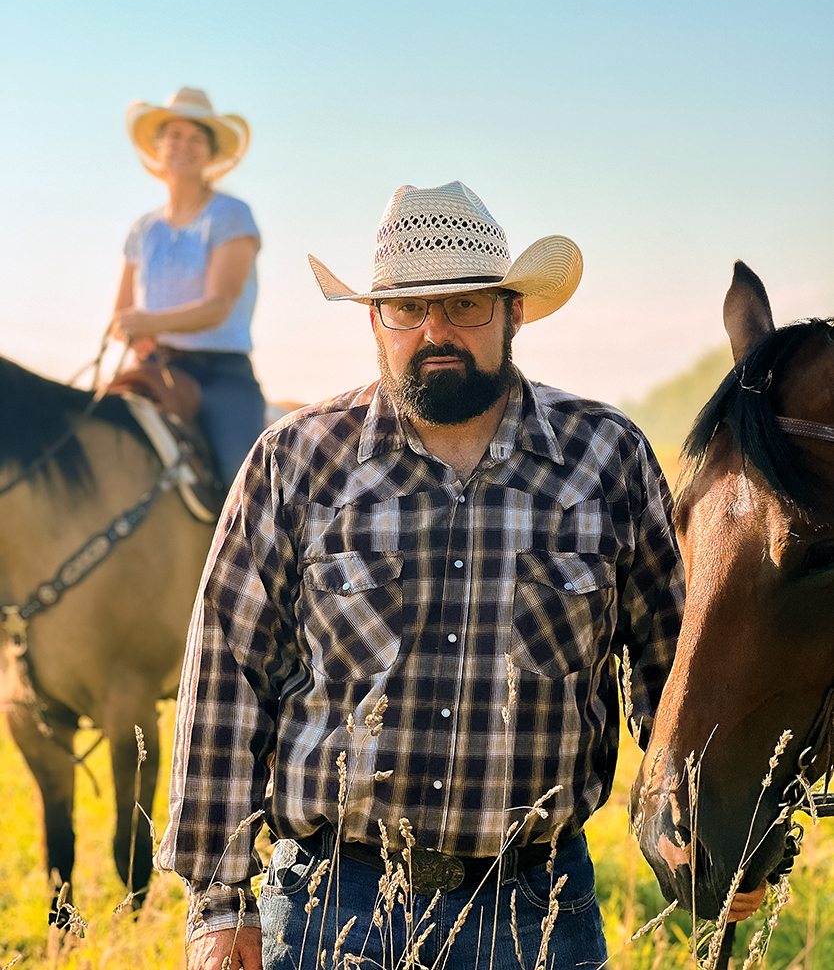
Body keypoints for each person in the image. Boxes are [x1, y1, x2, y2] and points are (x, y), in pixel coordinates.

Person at [157, 182, 764, 970]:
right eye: (408, 308)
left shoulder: (606, 456)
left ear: (513, 312)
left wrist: (712, 826)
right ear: (375, 321)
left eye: (466, 304)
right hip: (325, 908)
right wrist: (218, 903)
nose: (435, 329)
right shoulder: (293, 461)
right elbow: (225, 677)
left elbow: (672, 674)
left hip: (536, 913)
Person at [111, 86, 266, 490]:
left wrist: (146, 323)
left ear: (210, 153)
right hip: (158, 368)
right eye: (174, 135)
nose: (185, 145)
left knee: (248, 493)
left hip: (221, 375)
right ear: (159, 147)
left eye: (197, 138)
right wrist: (135, 335)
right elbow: (122, 314)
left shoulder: (232, 215)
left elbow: (219, 307)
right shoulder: (143, 230)